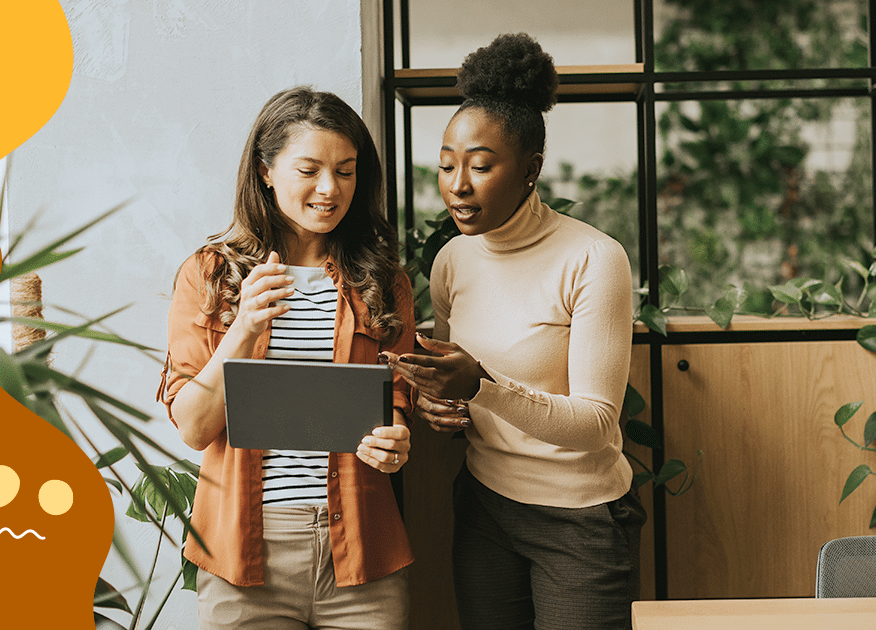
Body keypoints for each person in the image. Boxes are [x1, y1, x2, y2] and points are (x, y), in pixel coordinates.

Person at [383, 34, 646, 630]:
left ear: (530, 171)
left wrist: (481, 388)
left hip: (580, 519)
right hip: (484, 507)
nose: (457, 184)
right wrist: (439, 403)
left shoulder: (593, 259)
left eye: (479, 166)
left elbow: (597, 424)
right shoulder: (452, 259)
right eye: (447, 164)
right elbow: (457, 387)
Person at [160, 86, 415, 630]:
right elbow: (192, 427)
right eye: (310, 170)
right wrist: (245, 328)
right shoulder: (210, 276)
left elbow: (395, 402)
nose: (330, 189)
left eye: (346, 171)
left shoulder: (383, 283)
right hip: (246, 556)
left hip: (363, 556)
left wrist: (394, 442)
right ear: (266, 171)